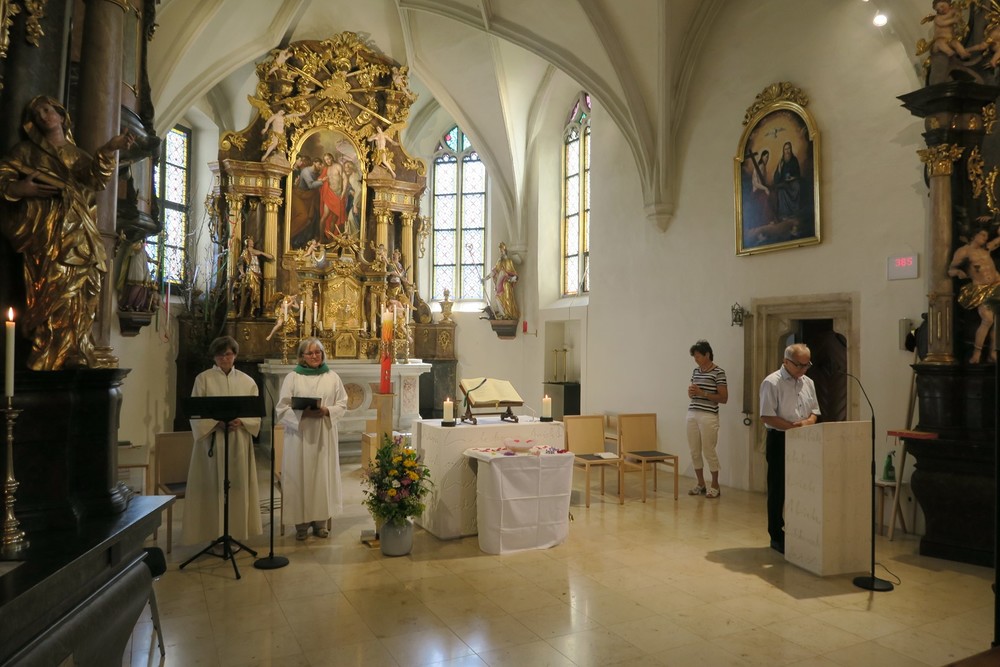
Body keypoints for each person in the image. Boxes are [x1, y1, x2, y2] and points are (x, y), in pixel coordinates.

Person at [0, 95, 134, 370]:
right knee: (52, 289)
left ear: (61, 116)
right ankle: (48, 349)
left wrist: (110, 148)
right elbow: (3, 174)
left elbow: (96, 179)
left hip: (80, 232)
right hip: (46, 232)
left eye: (47, 110)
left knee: (84, 289)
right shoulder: (25, 151)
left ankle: (75, 347)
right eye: (37, 114)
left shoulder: (77, 155)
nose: (43, 116)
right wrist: (19, 188)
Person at [182, 336, 262, 547]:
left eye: (227, 354)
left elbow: (255, 413)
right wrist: (216, 423)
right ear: (214, 357)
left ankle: (235, 532)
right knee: (212, 487)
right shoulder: (203, 379)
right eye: (219, 354)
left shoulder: (247, 381)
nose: (224, 358)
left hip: (238, 440)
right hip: (212, 441)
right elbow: (196, 412)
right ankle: (213, 532)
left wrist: (241, 421)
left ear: (235, 355)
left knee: (237, 486)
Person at [275, 338, 348, 540]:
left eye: (318, 352)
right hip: (299, 437)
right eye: (310, 353)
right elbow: (281, 408)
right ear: (302, 356)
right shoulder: (293, 378)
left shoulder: (332, 377)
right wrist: (303, 414)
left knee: (322, 477)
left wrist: (327, 410)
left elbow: (342, 404)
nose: (315, 356)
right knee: (300, 477)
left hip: (324, 436)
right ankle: (301, 525)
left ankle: (320, 523)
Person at [759, 343, 820, 554]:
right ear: (786, 362)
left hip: (805, 439)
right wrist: (793, 428)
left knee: (803, 486)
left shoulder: (808, 382)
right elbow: (767, 415)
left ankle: (801, 529)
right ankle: (776, 535)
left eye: (807, 365)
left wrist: (807, 423)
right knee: (778, 488)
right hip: (780, 439)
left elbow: (814, 412)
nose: (803, 369)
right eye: (799, 365)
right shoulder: (772, 382)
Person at [948, 228, 1000, 363]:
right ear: (974, 235)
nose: (985, 238)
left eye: (986, 235)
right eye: (982, 234)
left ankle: (993, 353)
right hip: (980, 289)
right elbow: (951, 269)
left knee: (997, 320)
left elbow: (997, 242)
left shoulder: (986, 249)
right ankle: (976, 354)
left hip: (996, 285)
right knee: (988, 319)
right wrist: (958, 272)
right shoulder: (964, 251)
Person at [686, 340, 728, 499]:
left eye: (698, 356)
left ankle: (715, 484)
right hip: (692, 412)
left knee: (708, 450)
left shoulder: (719, 372)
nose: (695, 359)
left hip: (709, 415)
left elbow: (723, 398)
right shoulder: (696, 371)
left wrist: (703, 393)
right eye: (694, 357)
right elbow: (692, 394)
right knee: (694, 450)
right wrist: (691, 392)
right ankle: (700, 483)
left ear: (707, 355)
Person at [237, 237, 273, 317]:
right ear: (248, 243)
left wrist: (262, 253)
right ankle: (242, 311)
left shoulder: (255, 252)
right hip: (250, 273)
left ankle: (252, 311)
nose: (252, 243)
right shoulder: (246, 252)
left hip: (257, 274)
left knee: (256, 293)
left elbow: (270, 257)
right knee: (249, 292)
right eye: (251, 242)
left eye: (252, 241)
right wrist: (242, 272)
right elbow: (240, 263)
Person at [486, 241, 519, 320]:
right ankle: (503, 314)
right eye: (500, 251)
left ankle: (508, 314)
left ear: (505, 251)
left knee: (507, 298)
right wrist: (485, 279)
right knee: (497, 297)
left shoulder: (509, 261)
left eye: (502, 251)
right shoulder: (499, 262)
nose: (501, 253)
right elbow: (494, 272)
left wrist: (513, 278)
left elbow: (514, 274)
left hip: (506, 284)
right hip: (499, 283)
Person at [318, 152, 347, 238]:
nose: (327, 161)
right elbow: (320, 179)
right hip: (329, 194)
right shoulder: (326, 169)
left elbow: (345, 178)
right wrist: (323, 179)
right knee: (325, 216)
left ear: (332, 158)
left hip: (338, 195)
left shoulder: (338, 166)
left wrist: (343, 192)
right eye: (326, 160)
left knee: (334, 218)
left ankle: (330, 238)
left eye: (328, 159)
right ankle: (321, 237)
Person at [773, 141, 801, 223]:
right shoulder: (781, 162)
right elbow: (776, 179)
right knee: (781, 191)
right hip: (784, 184)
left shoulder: (794, 160)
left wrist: (793, 178)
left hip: (792, 182)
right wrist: (779, 169)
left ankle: (795, 212)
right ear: (783, 151)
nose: (787, 151)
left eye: (788, 149)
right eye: (785, 149)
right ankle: (784, 215)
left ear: (791, 149)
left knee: (797, 186)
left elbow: (798, 173)